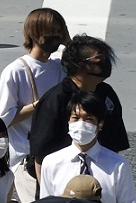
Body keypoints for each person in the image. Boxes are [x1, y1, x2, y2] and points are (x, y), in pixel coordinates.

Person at [0, 9, 67, 203]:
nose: (56, 37)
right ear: (35, 34)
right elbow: (3, 119)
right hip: (27, 158)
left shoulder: (60, 66)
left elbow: (91, 58)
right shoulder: (15, 71)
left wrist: (69, 42)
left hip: (58, 153)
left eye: (60, 32)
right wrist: (40, 105)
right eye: (52, 32)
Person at [26, 34, 128, 175]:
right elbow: (41, 155)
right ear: (80, 64)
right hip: (63, 178)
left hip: (102, 176)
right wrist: (46, 194)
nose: (105, 64)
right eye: (99, 60)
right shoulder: (56, 99)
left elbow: (115, 144)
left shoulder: (107, 94)